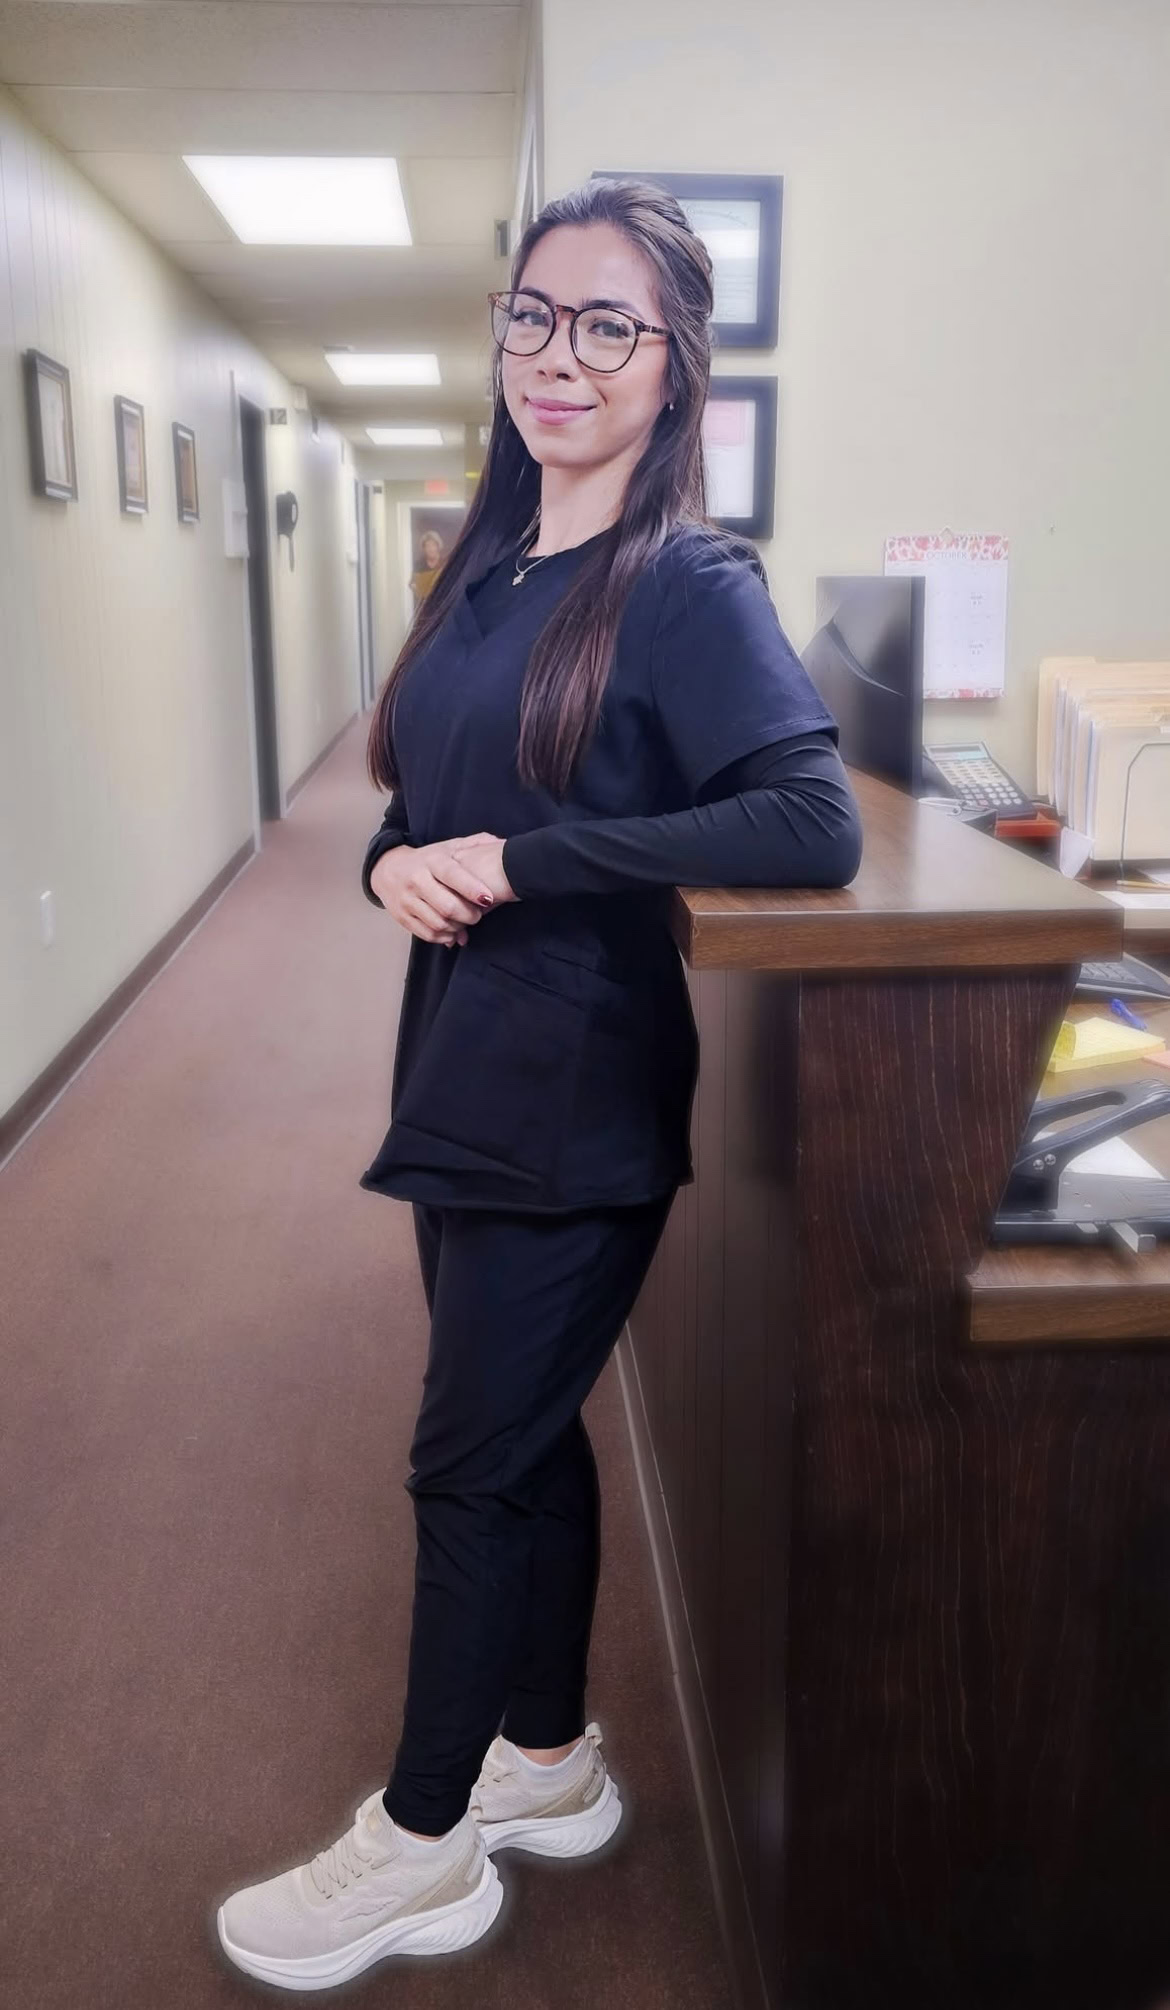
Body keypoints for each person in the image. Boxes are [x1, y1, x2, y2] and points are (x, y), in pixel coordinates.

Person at [215, 174, 863, 1992]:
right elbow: (417, 805)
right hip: (458, 1068)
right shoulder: (489, 569)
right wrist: (392, 869)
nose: (555, 354)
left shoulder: (683, 583)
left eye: (605, 323)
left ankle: (425, 1841)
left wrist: (523, 863)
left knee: (463, 1465)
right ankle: (551, 1759)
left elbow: (806, 818)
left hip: (574, 1092)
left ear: (673, 366)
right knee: (522, 1434)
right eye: (530, 315)